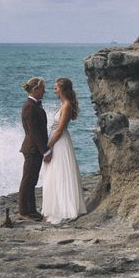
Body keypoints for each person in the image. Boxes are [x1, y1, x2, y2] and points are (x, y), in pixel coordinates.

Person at [41, 78, 87, 224]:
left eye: (56, 88)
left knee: (61, 173)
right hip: (56, 139)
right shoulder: (62, 104)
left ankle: (65, 208)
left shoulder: (66, 105)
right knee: (54, 173)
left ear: (62, 89)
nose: (54, 90)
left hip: (60, 142)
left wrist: (49, 146)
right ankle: (56, 206)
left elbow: (60, 129)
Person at [19, 77, 52, 221]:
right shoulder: (29, 107)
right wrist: (45, 150)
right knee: (28, 180)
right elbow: (34, 132)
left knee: (31, 180)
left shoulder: (35, 105)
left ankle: (31, 210)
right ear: (36, 89)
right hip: (32, 149)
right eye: (42, 88)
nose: (44, 91)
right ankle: (25, 211)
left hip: (34, 148)